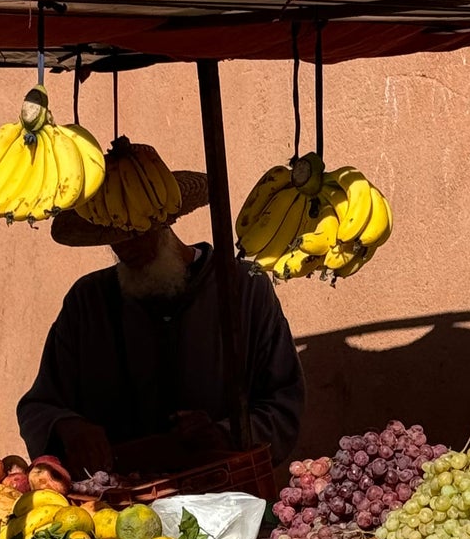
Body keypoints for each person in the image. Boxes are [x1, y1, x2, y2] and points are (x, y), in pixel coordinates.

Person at [17, 155, 304, 479]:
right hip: (115, 507)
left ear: (165, 217)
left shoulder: (244, 288)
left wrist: (225, 432)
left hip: (228, 493)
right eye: (112, 232)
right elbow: (38, 407)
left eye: (137, 229)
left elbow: (283, 403)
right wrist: (68, 426)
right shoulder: (87, 302)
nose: (125, 245)